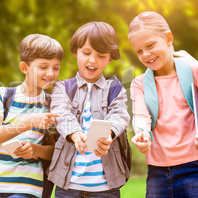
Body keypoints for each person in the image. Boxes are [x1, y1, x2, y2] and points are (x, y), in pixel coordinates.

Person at [0, 34, 63, 198]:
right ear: (24, 67)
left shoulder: (52, 105)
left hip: (26, 187)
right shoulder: (2, 95)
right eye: (43, 67)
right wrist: (30, 122)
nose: (50, 73)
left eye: (56, 67)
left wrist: (35, 149)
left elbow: (53, 151)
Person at [48, 22, 130, 198]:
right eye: (86, 53)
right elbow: (61, 113)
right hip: (68, 186)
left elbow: (120, 114)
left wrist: (109, 133)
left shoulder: (115, 88)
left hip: (106, 188)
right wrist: (75, 133)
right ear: (76, 52)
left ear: (109, 59)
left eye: (101, 56)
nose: (92, 60)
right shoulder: (62, 87)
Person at [128, 11, 198, 197]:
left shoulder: (193, 71)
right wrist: (142, 133)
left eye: (150, 45)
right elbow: (141, 116)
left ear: (168, 38)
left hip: (194, 166)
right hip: (157, 172)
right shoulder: (139, 83)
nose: (146, 54)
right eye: (140, 51)